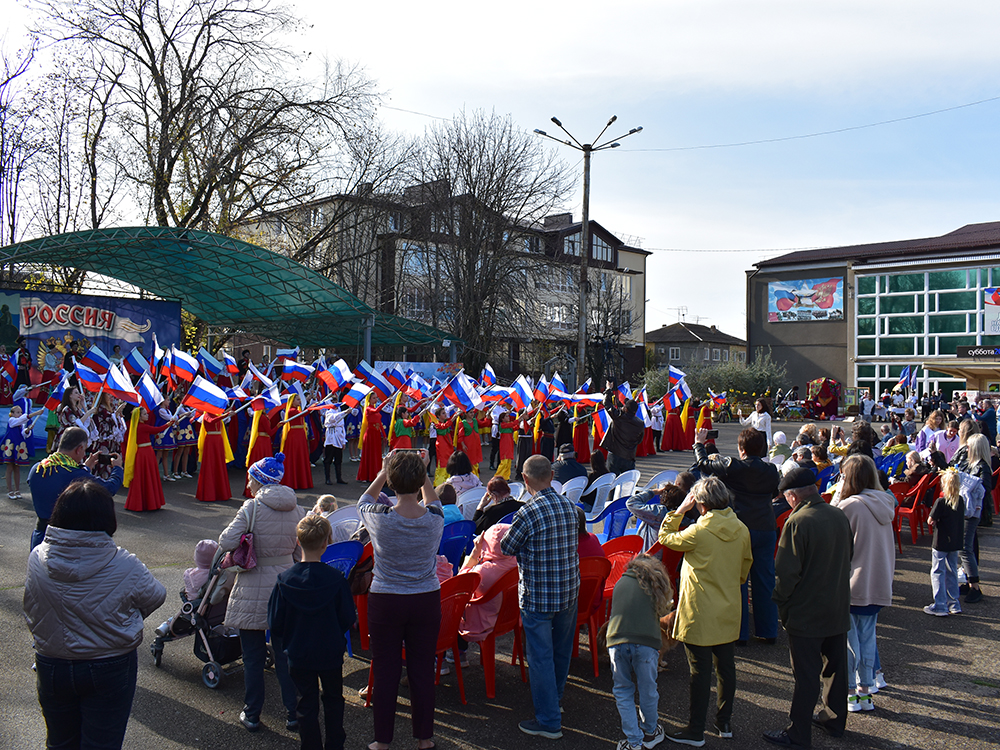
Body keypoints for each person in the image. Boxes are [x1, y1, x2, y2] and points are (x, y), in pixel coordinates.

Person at [23, 480, 166, 750]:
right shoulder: (125, 563)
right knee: (102, 744)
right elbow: (156, 595)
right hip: (110, 663)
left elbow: (31, 604)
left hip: (52, 661)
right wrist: (122, 619)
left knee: (59, 741)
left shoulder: (37, 556)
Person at [357, 449, 443, 750]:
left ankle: (382, 740)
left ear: (391, 483)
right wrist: (423, 472)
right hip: (425, 598)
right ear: (420, 480)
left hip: (387, 598)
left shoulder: (379, 519)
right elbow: (434, 501)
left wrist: (383, 470)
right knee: (421, 669)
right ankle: (424, 738)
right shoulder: (434, 519)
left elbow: (364, 500)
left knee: (385, 670)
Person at [764, 468, 853, 749]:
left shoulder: (797, 522)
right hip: (837, 606)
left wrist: (781, 603)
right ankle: (834, 720)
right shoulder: (838, 515)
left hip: (807, 612)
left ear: (793, 496)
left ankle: (798, 733)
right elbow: (849, 555)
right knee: (836, 670)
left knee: (805, 676)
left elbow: (786, 573)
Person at [659, 477, 752, 746]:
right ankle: (724, 722)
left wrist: (678, 511)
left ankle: (695, 729)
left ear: (700, 505)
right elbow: (744, 569)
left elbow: (666, 537)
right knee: (726, 668)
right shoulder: (741, 529)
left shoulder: (698, 532)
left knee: (699, 673)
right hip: (729, 606)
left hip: (699, 611)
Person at [219, 453, 306, 733]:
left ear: (257, 480)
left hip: (253, 583)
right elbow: (297, 551)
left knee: (253, 656)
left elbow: (227, 541)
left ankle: (253, 713)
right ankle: (293, 713)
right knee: (284, 653)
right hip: (285, 584)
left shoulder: (252, 507)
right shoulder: (297, 509)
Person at [500, 455, 580, 740]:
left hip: (539, 595)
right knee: (560, 651)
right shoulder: (569, 505)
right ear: (551, 475)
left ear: (525, 479)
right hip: (568, 589)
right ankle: (552, 704)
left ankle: (548, 719)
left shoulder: (528, 512)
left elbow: (507, 547)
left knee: (541, 657)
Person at [268, 514, 356, 750]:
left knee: (305, 704)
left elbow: (275, 622)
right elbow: (348, 616)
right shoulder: (336, 580)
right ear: (327, 542)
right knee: (334, 700)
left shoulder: (284, 581)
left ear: (298, 542)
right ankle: (335, 744)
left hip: (299, 651)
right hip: (329, 650)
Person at [692, 427, 780, 645]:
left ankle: (739, 632)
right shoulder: (771, 470)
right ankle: (768, 630)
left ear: (741, 449)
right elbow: (775, 493)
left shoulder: (734, 467)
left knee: (738, 580)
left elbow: (704, 465)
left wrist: (699, 443)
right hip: (766, 527)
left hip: (740, 529)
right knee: (765, 580)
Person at [830, 455, 896, 712]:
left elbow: (832, 528)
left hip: (853, 581)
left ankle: (850, 692)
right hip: (878, 580)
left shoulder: (850, 506)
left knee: (849, 643)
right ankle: (866, 690)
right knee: (868, 639)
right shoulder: (886, 501)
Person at [606, 554, 672, 750]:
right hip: (646, 643)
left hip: (617, 640)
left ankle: (633, 741)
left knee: (623, 690)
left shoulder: (621, 582)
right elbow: (662, 613)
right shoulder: (655, 586)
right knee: (648, 689)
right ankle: (650, 731)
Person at [27, 426, 124, 549]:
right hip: (64, 540)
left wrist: (85, 468)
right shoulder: (76, 474)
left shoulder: (38, 468)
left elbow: (57, 480)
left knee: (38, 567)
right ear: (79, 449)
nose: (84, 454)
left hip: (40, 536)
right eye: (84, 450)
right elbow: (109, 489)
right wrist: (117, 469)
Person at [954, 434, 991, 601]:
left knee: (965, 548)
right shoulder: (971, 464)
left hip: (973, 511)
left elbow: (986, 488)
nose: (966, 449)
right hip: (967, 509)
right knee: (965, 547)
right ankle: (970, 582)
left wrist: (967, 482)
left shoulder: (982, 466)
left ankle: (975, 587)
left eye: (969, 447)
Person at [924, 470, 966, 616]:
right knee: (952, 571)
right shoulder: (960, 500)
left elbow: (930, 520)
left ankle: (940, 605)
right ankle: (954, 603)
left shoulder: (940, 502)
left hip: (941, 541)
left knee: (938, 572)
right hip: (955, 542)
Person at [626, 482, 687, 552]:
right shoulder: (687, 519)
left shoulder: (658, 513)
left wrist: (653, 492)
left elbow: (631, 503)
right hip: (671, 561)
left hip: (647, 557)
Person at [601, 386, 645, 475]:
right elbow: (639, 440)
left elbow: (606, 403)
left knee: (612, 480)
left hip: (615, 454)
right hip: (629, 455)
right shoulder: (640, 423)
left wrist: (608, 389)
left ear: (626, 409)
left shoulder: (619, 417)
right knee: (628, 483)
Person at [280, 395, 314, 490]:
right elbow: (303, 414)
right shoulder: (292, 411)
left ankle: (300, 480)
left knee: (300, 456)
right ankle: (294, 481)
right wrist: (311, 405)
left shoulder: (296, 410)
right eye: (298, 400)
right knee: (294, 456)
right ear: (292, 401)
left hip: (299, 435)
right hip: (295, 435)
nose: (299, 401)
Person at [323, 404, 350, 486]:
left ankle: (339, 478)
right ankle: (327, 478)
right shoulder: (328, 413)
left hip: (339, 439)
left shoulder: (339, 412)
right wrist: (345, 412)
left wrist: (343, 441)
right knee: (328, 459)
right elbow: (333, 418)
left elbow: (342, 429)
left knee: (338, 460)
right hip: (331, 439)